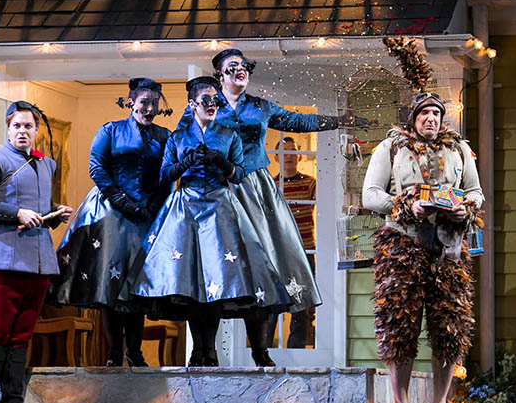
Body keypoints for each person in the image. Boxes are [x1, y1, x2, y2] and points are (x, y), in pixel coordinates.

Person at [205, 48, 369, 366]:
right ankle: (206, 350)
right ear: (219, 74)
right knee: (217, 267)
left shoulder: (259, 107)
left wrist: (339, 121)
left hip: (257, 189)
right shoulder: (208, 107)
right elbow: (188, 139)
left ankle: (261, 350)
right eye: (232, 66)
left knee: (266, 265)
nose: (240, 69)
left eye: (243, 64)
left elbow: (298, 120)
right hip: (220, 190)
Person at [133, 76, 292, 366]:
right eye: (205, 100)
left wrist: (222, 162)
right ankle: (200, 350)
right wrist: (185, 163)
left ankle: (216, 350)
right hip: (186, 210)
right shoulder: (178, 137)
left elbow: (240, 174)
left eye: (215, 100)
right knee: (193, 285)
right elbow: (165, 175)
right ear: (192, 104)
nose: (212, 104)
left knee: (217, 281)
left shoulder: (229, 135)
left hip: (220, 208)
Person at [362, 91, 484, 403]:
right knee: (400, 327)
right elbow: (370, 194)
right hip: (403, 246)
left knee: (449, 327)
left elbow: (475, 191)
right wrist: (405, 205)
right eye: (423, 113)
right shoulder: (391, 148)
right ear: (413, 118)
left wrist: (466, 208)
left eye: (436, 113)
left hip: (448, 248)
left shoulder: (459, 149)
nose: (430, 118)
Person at [51, 78, 172, 367]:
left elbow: (167, 174)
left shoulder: (165, 135)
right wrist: (122, 201)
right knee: (110, 280)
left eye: (155, 103)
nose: (150, 108)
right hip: (111, 213)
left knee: (137, 282)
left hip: (146, 216)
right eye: (144, 102)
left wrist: (153, 205)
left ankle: (135, 351)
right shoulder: (110, 130)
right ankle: (114, 352)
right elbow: (97, 167)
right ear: (131, 102)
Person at [0, 101, 74, 403]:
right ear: (8, 128)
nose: (23, 131)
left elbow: (37, 209)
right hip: (4, 260)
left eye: (28, 126)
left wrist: (54, 214)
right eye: (17, 126)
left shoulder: (46, 165)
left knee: (21, 334)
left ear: (36, 130)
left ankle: (12, 402)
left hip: (38, 263)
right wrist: (15, 214)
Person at [272, 137, 316, 348]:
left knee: (300, 308)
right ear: (276, 157)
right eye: (284, 152)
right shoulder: (271, 185)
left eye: (292, 151)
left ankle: (296, 353)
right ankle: (265, 352)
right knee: (272, 305)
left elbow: (326, 207)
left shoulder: (310, 184)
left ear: (299, 156)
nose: (288, 156)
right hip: (277, 253)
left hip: (304, 252)